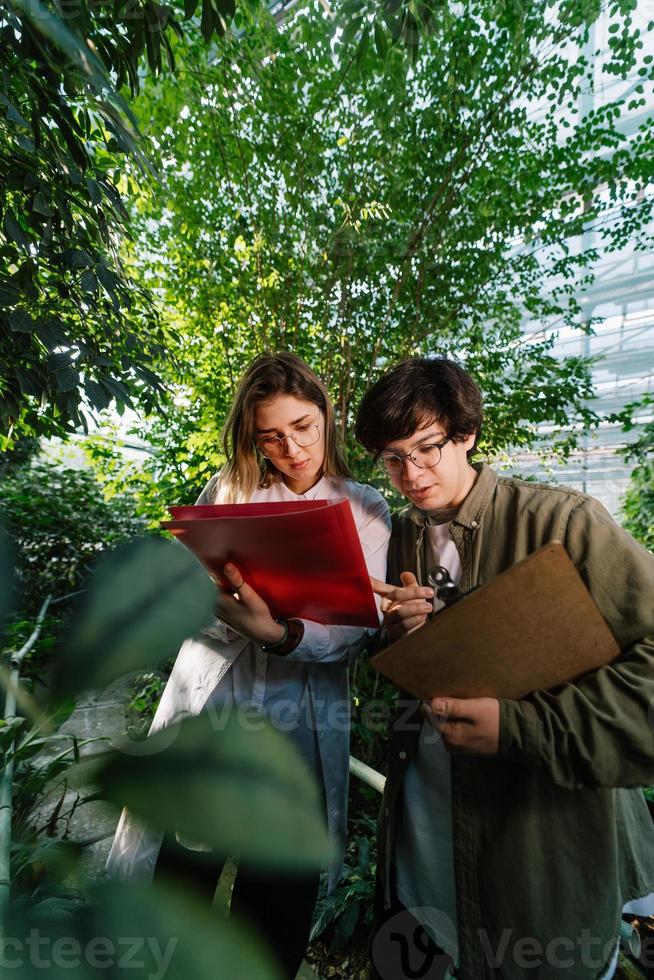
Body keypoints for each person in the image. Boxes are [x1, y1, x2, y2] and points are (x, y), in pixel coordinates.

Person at [353, 356, 654, 980]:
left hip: (539, 851)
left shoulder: (563, 524)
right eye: (392, 458)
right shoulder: (401, 538)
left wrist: (522, 727)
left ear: (466, 434)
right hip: (428, 833)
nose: (411, 474)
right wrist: (400, 634)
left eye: (428, 448)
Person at [106, 353, 391, 979]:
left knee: (275, 909)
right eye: (272, 436)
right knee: (175, 882)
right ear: (252, 438)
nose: (292, 448)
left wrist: (279, 632)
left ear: (327, 417)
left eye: (304, 426)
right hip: (216, 709)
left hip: (297, 731)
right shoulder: (230, 491)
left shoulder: (365, 507)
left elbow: (351, 629)